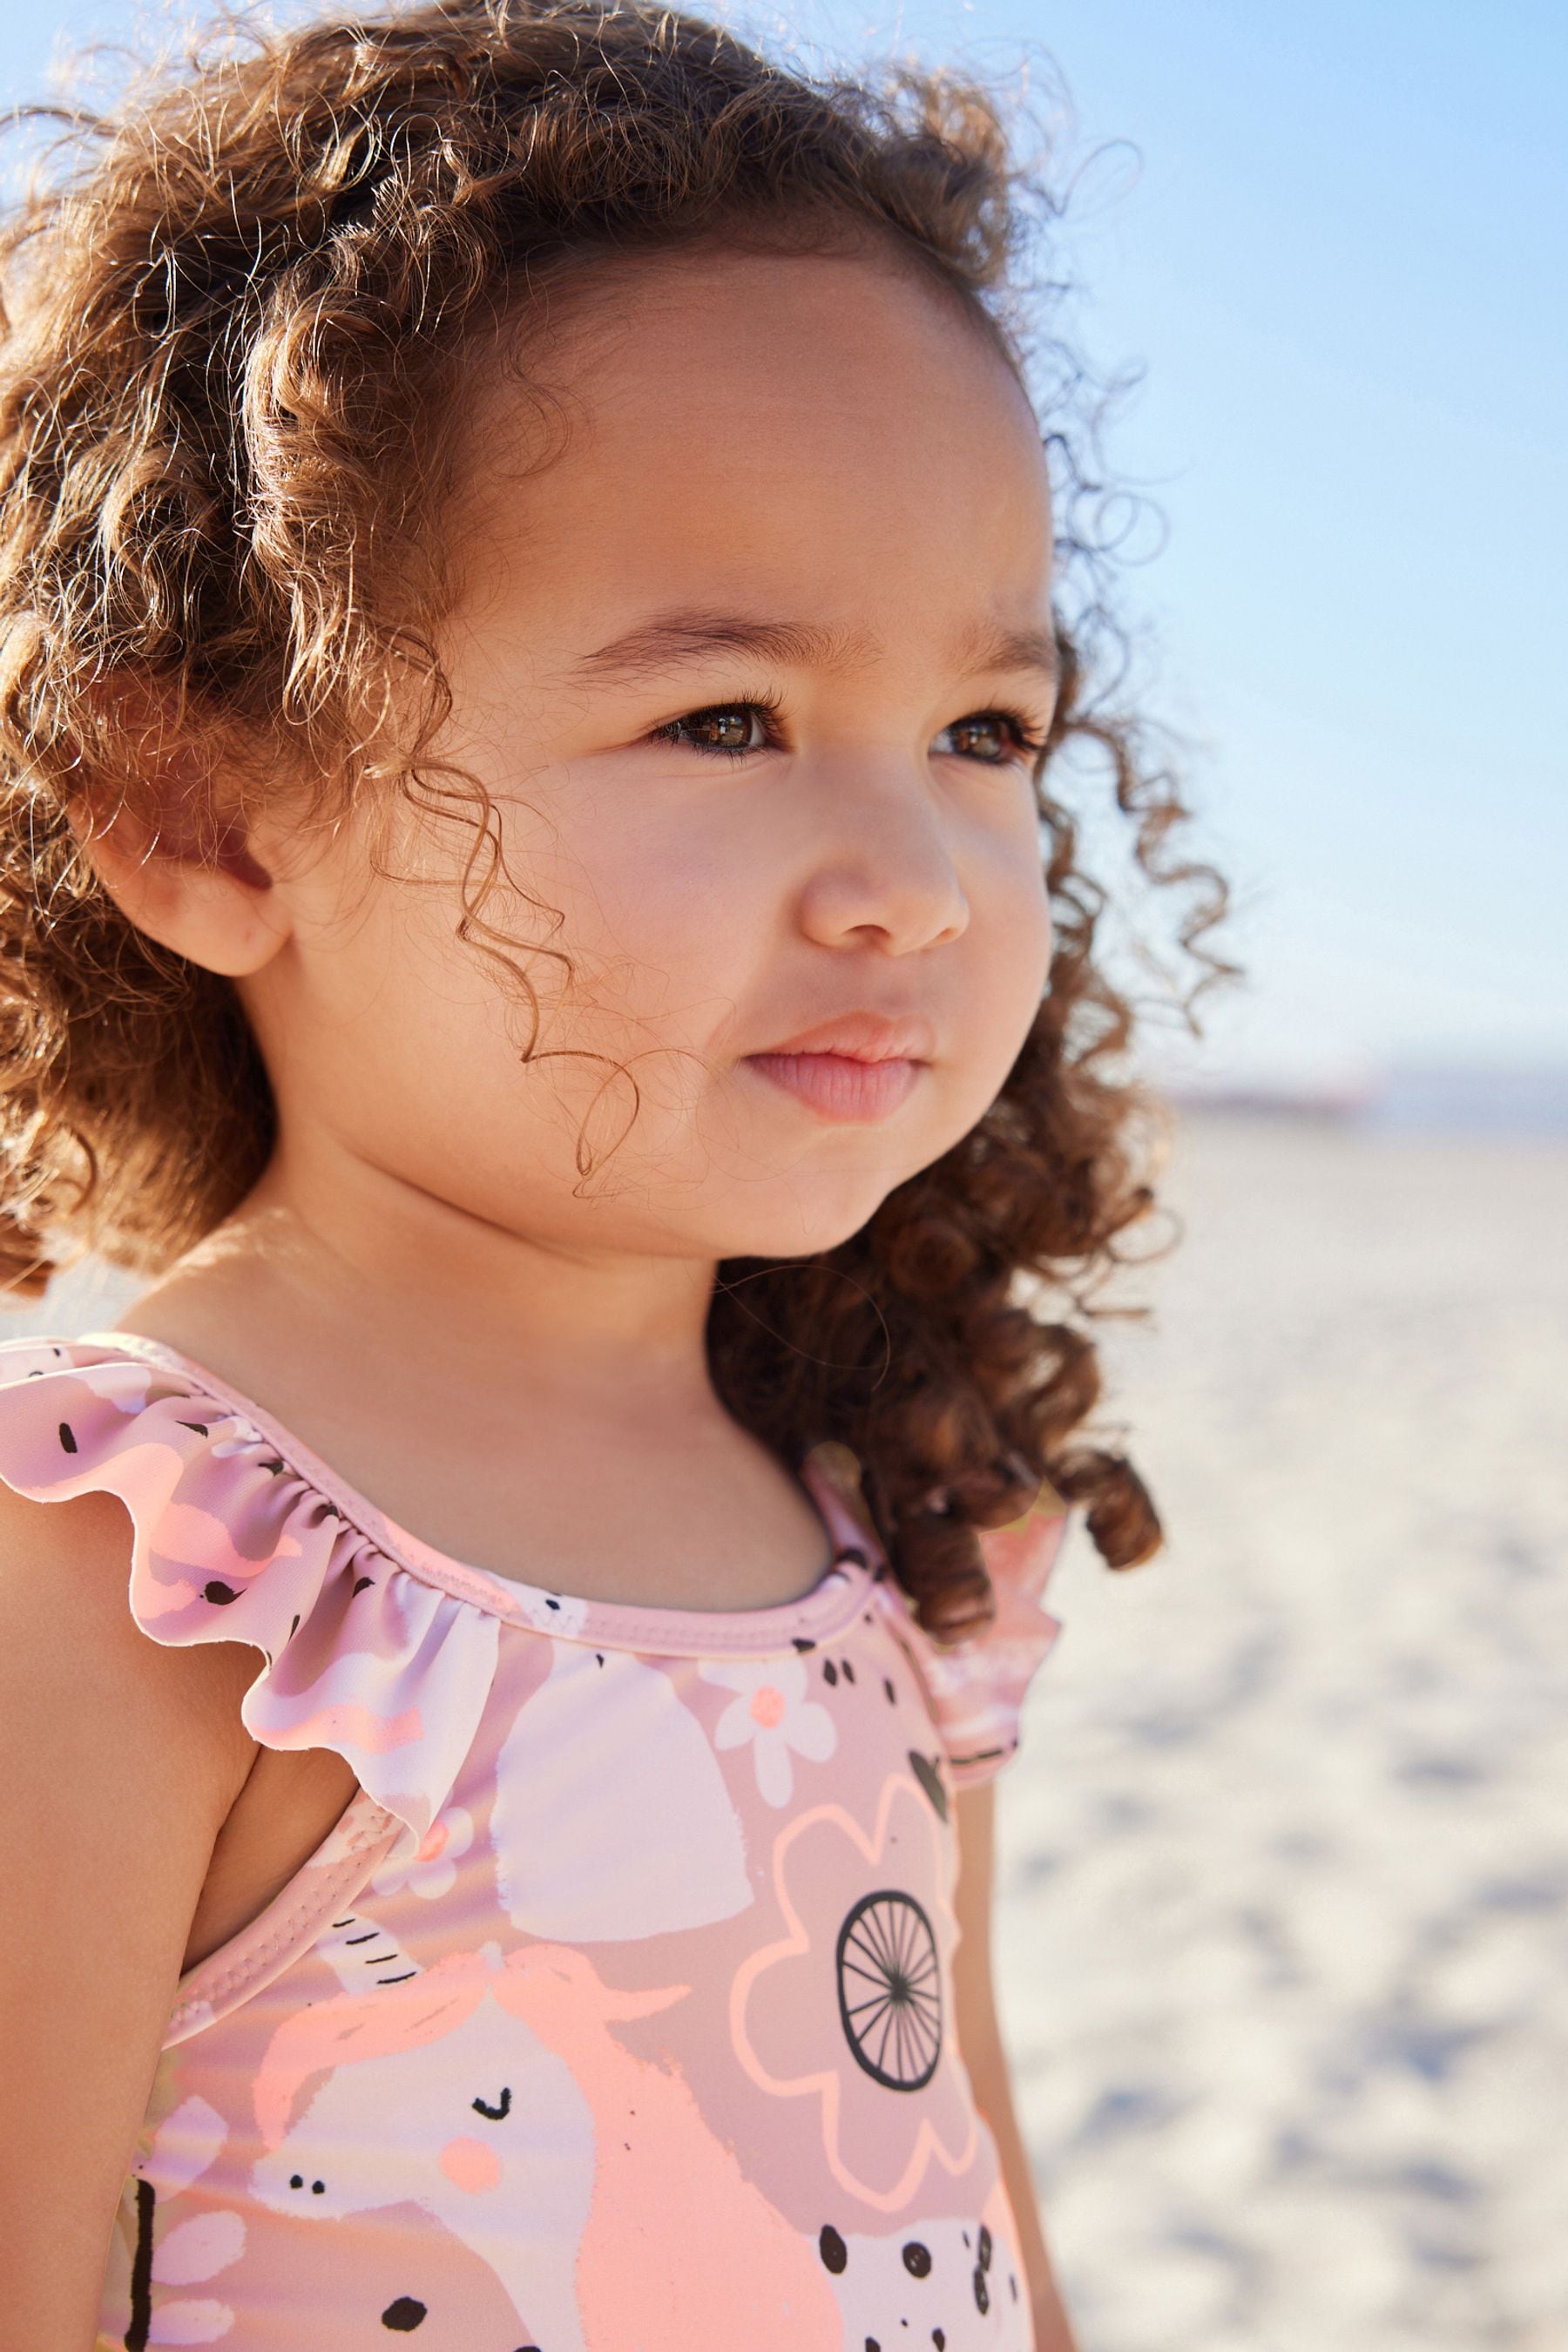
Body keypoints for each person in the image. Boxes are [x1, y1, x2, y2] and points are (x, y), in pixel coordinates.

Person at [0, 3, 1223, 2343]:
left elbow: (958, 2163)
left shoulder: (896, 1512)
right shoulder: (138, 1567)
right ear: (201, 809)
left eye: (986, 730)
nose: (915, 877)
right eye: (727, 718)